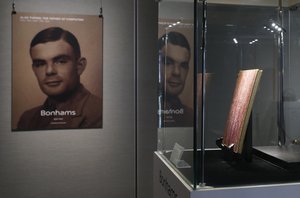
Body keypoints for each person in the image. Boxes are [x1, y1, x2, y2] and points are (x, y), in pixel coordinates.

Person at [17, 27, 102, 130]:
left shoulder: (100, 113)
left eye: (60, 61)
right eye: (40, 64)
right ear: (34, 69)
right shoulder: (27, 119)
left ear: (79, 66)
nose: (49, 71)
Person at [158, 31, 193, 127]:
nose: (177, 72)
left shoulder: (191, 117)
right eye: (168, 63)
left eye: (183, 65)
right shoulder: (140, 111)